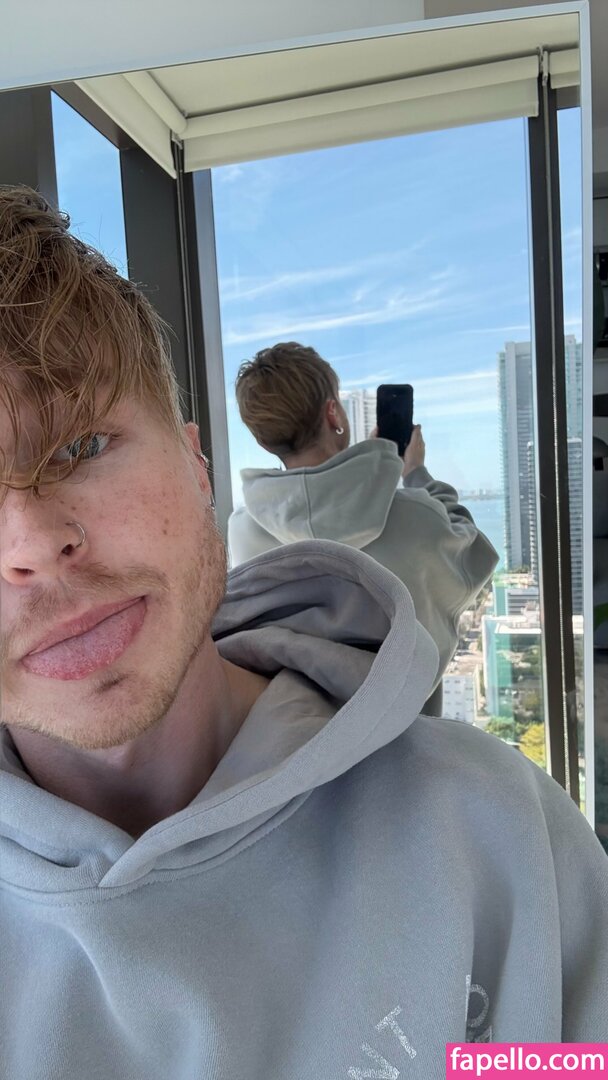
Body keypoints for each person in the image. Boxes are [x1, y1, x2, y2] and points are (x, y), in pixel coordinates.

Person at [0, 187, 607, 1080]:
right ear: (333, 412)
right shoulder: (489, 829)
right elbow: (467, 559)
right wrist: (414, 481)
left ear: (202, 463)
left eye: (80, 445)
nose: (31, 545)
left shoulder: (504, 845)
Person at [229, 342, 499, 714]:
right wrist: (414, 472)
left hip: (297, 735)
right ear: (333, 413)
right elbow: (472, 551)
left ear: (262, 439)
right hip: (403, 731)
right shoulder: (414, 517)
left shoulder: (242, 533)